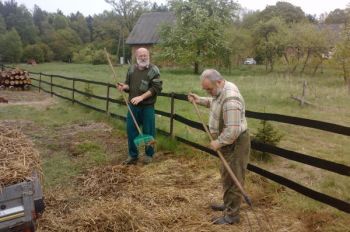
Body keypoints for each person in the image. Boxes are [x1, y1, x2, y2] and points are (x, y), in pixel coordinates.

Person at [188, 69, 250, 225]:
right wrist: (200, 99)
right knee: (226, 175)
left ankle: (232, 215)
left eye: (208, 89)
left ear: (219, 82)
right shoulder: (220, 91)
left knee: (233, 177)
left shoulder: (231, 99)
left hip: (234, 142)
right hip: (228, 141)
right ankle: (228, 204)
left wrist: (219, 142)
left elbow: (233, 131)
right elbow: (214, 101)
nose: (208, 92)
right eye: (205, 90)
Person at [117, 47, 162, 165]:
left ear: (148, 56)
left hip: (147, 106)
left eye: (145, 55)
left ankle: (149, 155)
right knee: (131, 130)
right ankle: (133, 155)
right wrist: (124, 87)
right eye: (140, 55)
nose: (143, 57)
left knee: (149, 131)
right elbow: (128, 85)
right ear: (136, 57)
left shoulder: (154, 70)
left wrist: (141, 97)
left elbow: (156, 88)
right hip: (133, 106)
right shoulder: (131, 69)